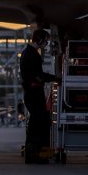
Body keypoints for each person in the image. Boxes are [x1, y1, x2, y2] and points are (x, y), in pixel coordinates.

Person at [20, 29, 60, 164]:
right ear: (41, 39)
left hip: (31, 92)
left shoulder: (27, 52)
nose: (46, 44)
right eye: (46, 41)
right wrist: (54, 78)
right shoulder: (33, 55)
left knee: (37, 122)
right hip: (34, 93)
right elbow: (38, 76)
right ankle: (34, 154)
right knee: (38, 123)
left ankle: (35, 153)